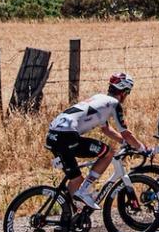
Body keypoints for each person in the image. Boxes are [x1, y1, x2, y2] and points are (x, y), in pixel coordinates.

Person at [48, 72, 148, 217]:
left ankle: (67, 217)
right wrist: (142, 148)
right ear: (124, 92)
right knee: (107, 153)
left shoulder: (99, 98)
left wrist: (123, 142)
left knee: (76, 179)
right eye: (128, 92)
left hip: (53, 135)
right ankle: (84, 191)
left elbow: (106, 129)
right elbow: (126, 132)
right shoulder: (114, 104)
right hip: (66, 135)